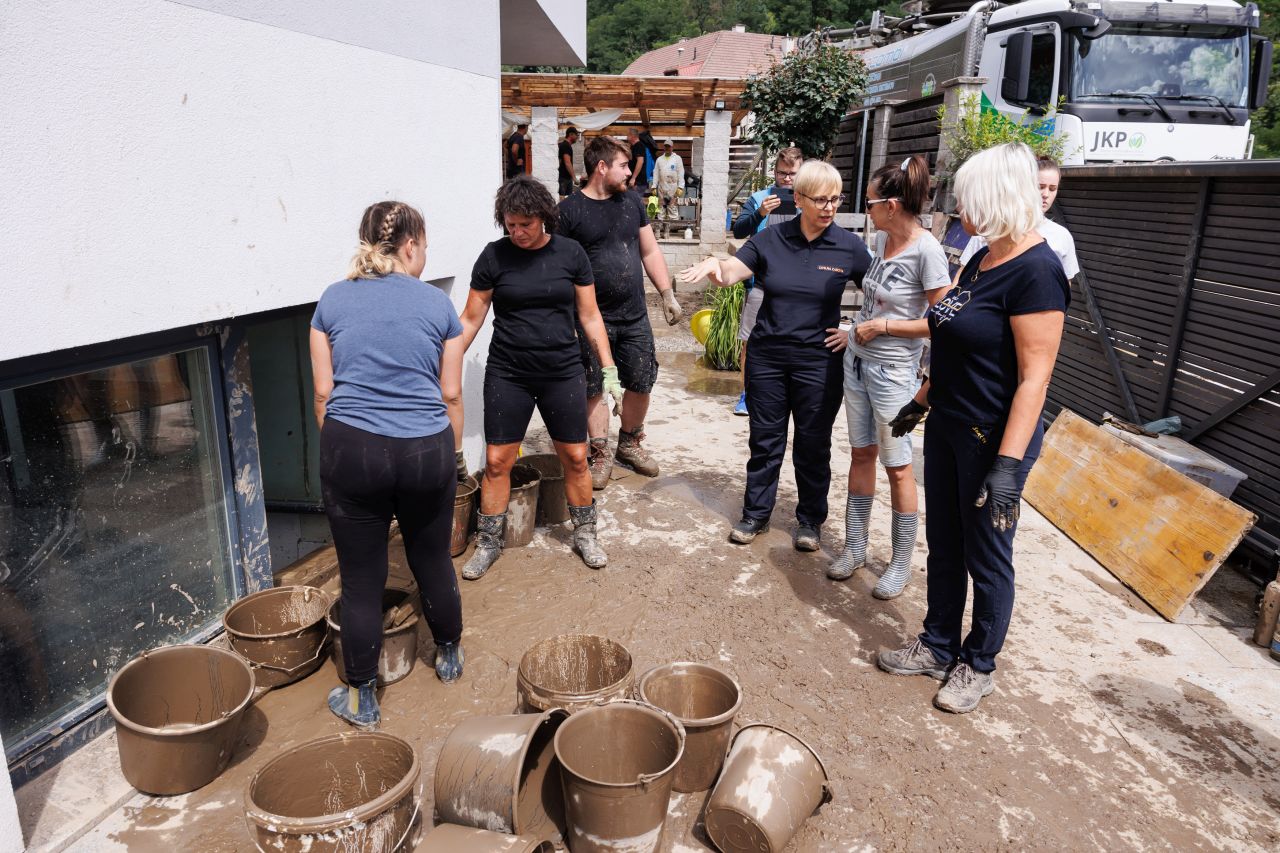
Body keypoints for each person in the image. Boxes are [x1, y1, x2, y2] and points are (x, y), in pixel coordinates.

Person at [877, 142, 1070, 714]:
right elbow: (954, 339)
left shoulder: (1038, 272)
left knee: (987, 555)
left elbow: (1034, 379)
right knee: (945, 543)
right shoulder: (982, 256)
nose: (960, 210)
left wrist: (1008, 467)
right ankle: (938, 643)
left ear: (999, 197)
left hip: (994, 438)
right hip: (949, 423)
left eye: (968, 199)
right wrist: (921, 401)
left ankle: (978, 663)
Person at [311, 201, 465, 728]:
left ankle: (362, 700)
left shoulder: (331, 300)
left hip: (352, 447)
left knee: (360, 579)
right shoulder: (438, 305)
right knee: (432, 558)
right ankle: (449, 656)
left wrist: (345, 454)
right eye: (426, 247)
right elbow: (450, 394)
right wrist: (453, 459)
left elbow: (323, 394)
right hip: (426, 449)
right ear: (410, 246)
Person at [679, 161, 871, 550]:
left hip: (818, 363)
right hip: (767, 359)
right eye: (820, 199)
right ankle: (756, 514)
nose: (829, 207)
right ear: (798, 199)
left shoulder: (849, 247)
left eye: (835, 199)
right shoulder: (772, 239)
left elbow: (883, 295)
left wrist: (854, 330)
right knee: (765, 440)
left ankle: (810, 520)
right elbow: (731, 272)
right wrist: (715, 264)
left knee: (813, 444)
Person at [456, 176, 623, 579]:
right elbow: (470, 320)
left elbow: (590, 315)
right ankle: (489, 542)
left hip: (561, 372)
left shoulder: (571, 254)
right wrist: (440, 362)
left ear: (543, 217)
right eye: (510, 224)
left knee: (576, 457)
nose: (517, 232)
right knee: (497, 461)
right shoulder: (493, 257)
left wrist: (609, 368)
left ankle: (585, 533)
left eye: (525, 224)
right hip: (508, 373)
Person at [828, 155, 951, 599]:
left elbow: (944, 321)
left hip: (894, 375)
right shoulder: (882, 241)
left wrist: (884, 327)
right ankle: (855, 547)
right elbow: (873, 301)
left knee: (897, 467)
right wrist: (855, 331)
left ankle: (900, 563)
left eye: (870, 203)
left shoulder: (928, 252)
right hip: (858, 365)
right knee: (861, 454)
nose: (866, 210)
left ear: (892, 206)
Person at [559, 135, 682, 488]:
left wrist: (667, 293)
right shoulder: (569, 211)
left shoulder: (632, 202)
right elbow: (560, 267)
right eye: (624, 165)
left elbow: (649, 251)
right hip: (590, 318)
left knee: (642, 379)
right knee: (594, 385)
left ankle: (628, 443)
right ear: (601, 167)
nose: (630, 172)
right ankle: (599, 452)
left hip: (634, 314)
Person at [729, 146, 804, 416]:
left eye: (792, 174)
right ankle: (747, 394)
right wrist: (759, 213)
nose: (787, 179)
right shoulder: (759, 198)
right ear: (774, 171)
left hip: (797, 287)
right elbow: (738, 231)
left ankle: (784, 394)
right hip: (760, 284)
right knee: (750, 341)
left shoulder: (808, 200)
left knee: (792, 342)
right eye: (782, 173)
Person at [957, 156, 1078, 280]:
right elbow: (962, 277)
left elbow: (1065, 283)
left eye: (1053, 189)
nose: (1046, 194)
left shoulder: (1062, 236)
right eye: (1040, 187)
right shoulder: (990, 227)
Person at [654, 139, 685, 221]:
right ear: (664, 147)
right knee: (661, 208)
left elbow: (681, 173)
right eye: (666, 146)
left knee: (672, 207)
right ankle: (660, 226)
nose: (667, 148)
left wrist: (680, 187)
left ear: (672, 147)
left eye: (669, 146)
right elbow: (656, 173)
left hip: (673, 187)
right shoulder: (659, 159)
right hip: (662, 187)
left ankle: (673, 225)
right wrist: (654, 186)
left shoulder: (677, 158)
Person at [558, 126, 580, 198]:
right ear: (571, 134)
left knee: (568, 198)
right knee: (562, 198)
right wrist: (574, 178)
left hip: (567, 177)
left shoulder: (567, 145)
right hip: (563, 178)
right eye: (576, 135)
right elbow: (567, 163)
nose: (577, 137)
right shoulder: (565, 145)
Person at [627, 128, 649, 194]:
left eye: (628, 135)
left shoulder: (639, 146)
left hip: (638, 182)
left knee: (635, 200)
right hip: (634, 182)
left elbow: (640, 162)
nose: (626, 137)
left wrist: (633, 178)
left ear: (632, 136)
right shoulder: (633, 146)